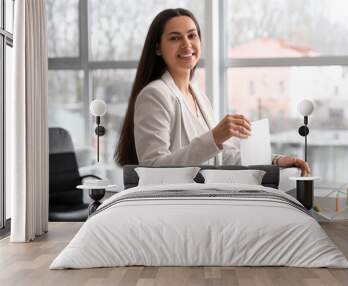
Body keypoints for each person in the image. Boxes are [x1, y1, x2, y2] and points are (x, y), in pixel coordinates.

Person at [114, 8, 311, 176]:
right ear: (158, 48)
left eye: (192, 35)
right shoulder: (155, 95)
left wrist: (276, 161)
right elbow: (153, 169)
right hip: (177, 203)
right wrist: (215, 137)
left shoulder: (198, 94)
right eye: (175, 38)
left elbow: (223, 155)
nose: (187, 44)